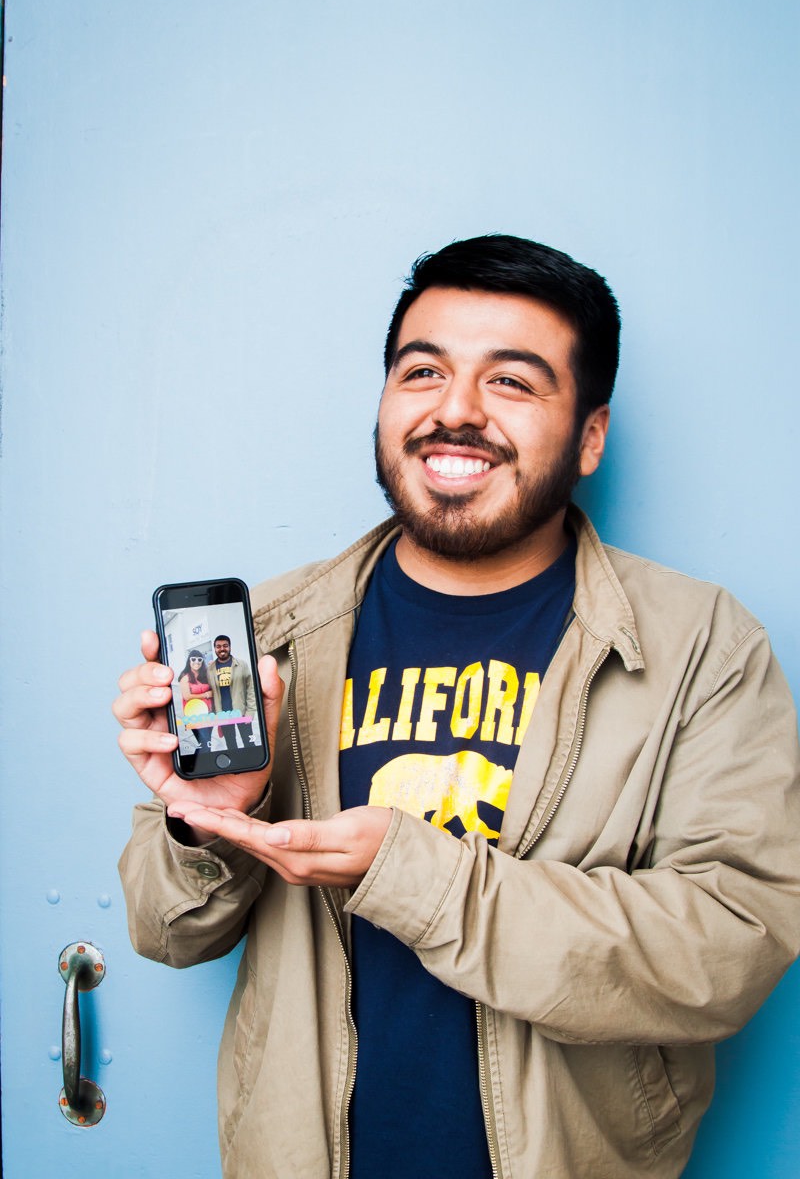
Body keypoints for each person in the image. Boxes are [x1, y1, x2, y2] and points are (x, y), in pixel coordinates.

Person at [114, 234, 800, 1179]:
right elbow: (164, 931)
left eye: (512, 383)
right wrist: (211, 821)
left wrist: (419, 876)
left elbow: (731, 944)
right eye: (422, 371)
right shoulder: (269, 633)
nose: (455, 412)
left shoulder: (700, 646)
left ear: (590, 436)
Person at [205, 634, 258, 752]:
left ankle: (253, 764)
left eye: (225, 646)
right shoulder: (210, 669)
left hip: (242, 712)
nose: (222, 649)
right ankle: (237, 765)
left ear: (230, 647)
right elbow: (209, 691)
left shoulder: (242, 664)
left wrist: (250, 711)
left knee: (249, 743)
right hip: (223, 714)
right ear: (214, 649)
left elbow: (251, 689)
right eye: (218, 646)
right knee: (231, 745)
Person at [176, 649, 213, 751]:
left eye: (199, 659)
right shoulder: (185, 677)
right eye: (193, 659)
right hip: (194, 715)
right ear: (189, 661)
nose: (196, 662)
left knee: (206, 743)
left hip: (209, 713)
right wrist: (206, 694)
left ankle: (201, 764)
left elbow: (214, 689)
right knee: (205, 745)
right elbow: (187, 696)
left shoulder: (205, 674)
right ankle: (198, 765)